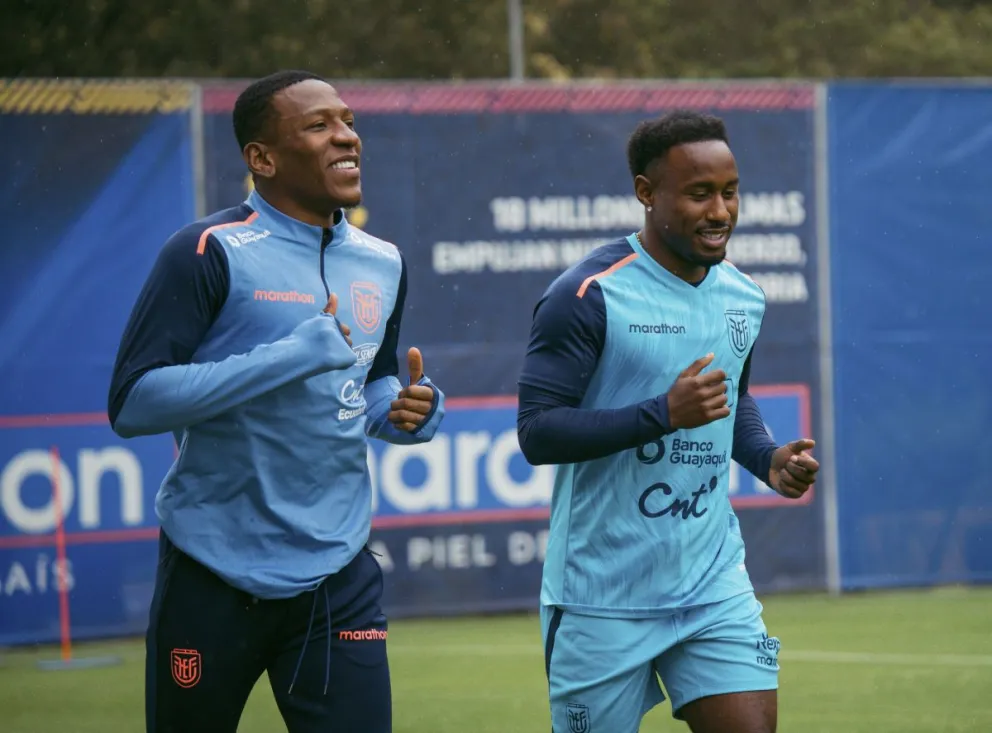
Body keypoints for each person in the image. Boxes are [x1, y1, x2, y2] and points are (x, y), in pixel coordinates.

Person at [108, 70, 445, 733]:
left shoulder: (384, 261)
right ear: (261, 158)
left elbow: (370, 383)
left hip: (337, 575)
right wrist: (289, 355)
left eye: (348, 120)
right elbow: (134, 403)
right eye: (318, 126)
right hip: (211, 572)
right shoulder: (206, 251)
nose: (346, 136)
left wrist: (405, 411)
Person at [516, 110, 819, 733]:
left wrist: (767, 458)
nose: (720, 212)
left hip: (712, 583)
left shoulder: (742, 294)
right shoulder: (588, 295)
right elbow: (538, 432)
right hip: (600, 597)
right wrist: (662, 414)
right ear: (646, 193)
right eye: (699, 193)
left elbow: (730, 398)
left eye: (730, 192)